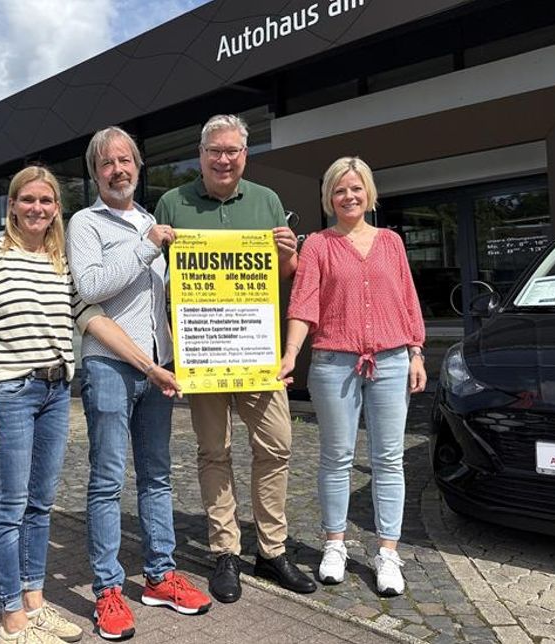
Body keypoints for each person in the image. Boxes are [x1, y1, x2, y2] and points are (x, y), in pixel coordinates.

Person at [0, 166, 181, 644]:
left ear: (56, 208)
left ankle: (34, 604)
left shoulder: (61, 263)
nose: (37, 208)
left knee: (40, 505)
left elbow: (94, 321)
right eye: (27, 200)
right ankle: (11, 621)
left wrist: (150, 367)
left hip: (57, 392)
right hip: (10, 393)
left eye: (46, 201)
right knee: (9, 506)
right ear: (12, 205)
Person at [154, 114, 315, 603]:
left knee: (276, 446)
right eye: (215, 151)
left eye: (232, 151)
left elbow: (283, 274)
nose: (223, 159)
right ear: (200, 154)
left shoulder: (267, 200)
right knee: (214, 451)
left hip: (255, 350)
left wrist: (288, 253)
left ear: (245, 155)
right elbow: (159, 283)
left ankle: (272, 550)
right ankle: (225, 550)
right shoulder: (172, 202)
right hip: (203, 350)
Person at [66, 127, 212, 640]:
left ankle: (160, 576)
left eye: (125, 160)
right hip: (108, 366)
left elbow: (167, 300)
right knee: (107, 480)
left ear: (139, 165)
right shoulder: (85, 223)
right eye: (107, 163)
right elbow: (92, 286)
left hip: (159, 367)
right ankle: (107, 589)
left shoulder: (152, 221)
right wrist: (147, 248)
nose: (118, 170)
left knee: (157, 476)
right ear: (95, 173)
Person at [279, 156, 427, 596]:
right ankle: (334, 544)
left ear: (369, 193)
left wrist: (416, 351)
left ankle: (387, 553)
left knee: (389, 459)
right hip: (334, 363)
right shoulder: (318, 246)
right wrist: (291, 354)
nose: (349, 196)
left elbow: (407, 299)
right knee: (337, 456)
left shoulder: (391, 242)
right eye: (340, 190)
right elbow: (303, 304)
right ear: (329, 197)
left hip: (392, 360)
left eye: (356, 188)